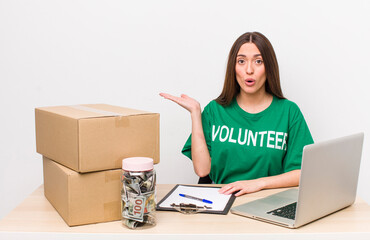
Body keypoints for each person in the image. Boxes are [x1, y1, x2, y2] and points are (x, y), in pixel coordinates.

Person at [160, 32, 313, 197]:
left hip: (268, 203)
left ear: (269, 67)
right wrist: (196, 114)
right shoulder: (215, 110)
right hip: (222, 202)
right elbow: (203, 170)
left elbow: (302, 172)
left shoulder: (289, 112)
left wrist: (258, 184)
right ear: (233, 67)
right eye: (241, 61)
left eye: (258, 61)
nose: (249, 70)